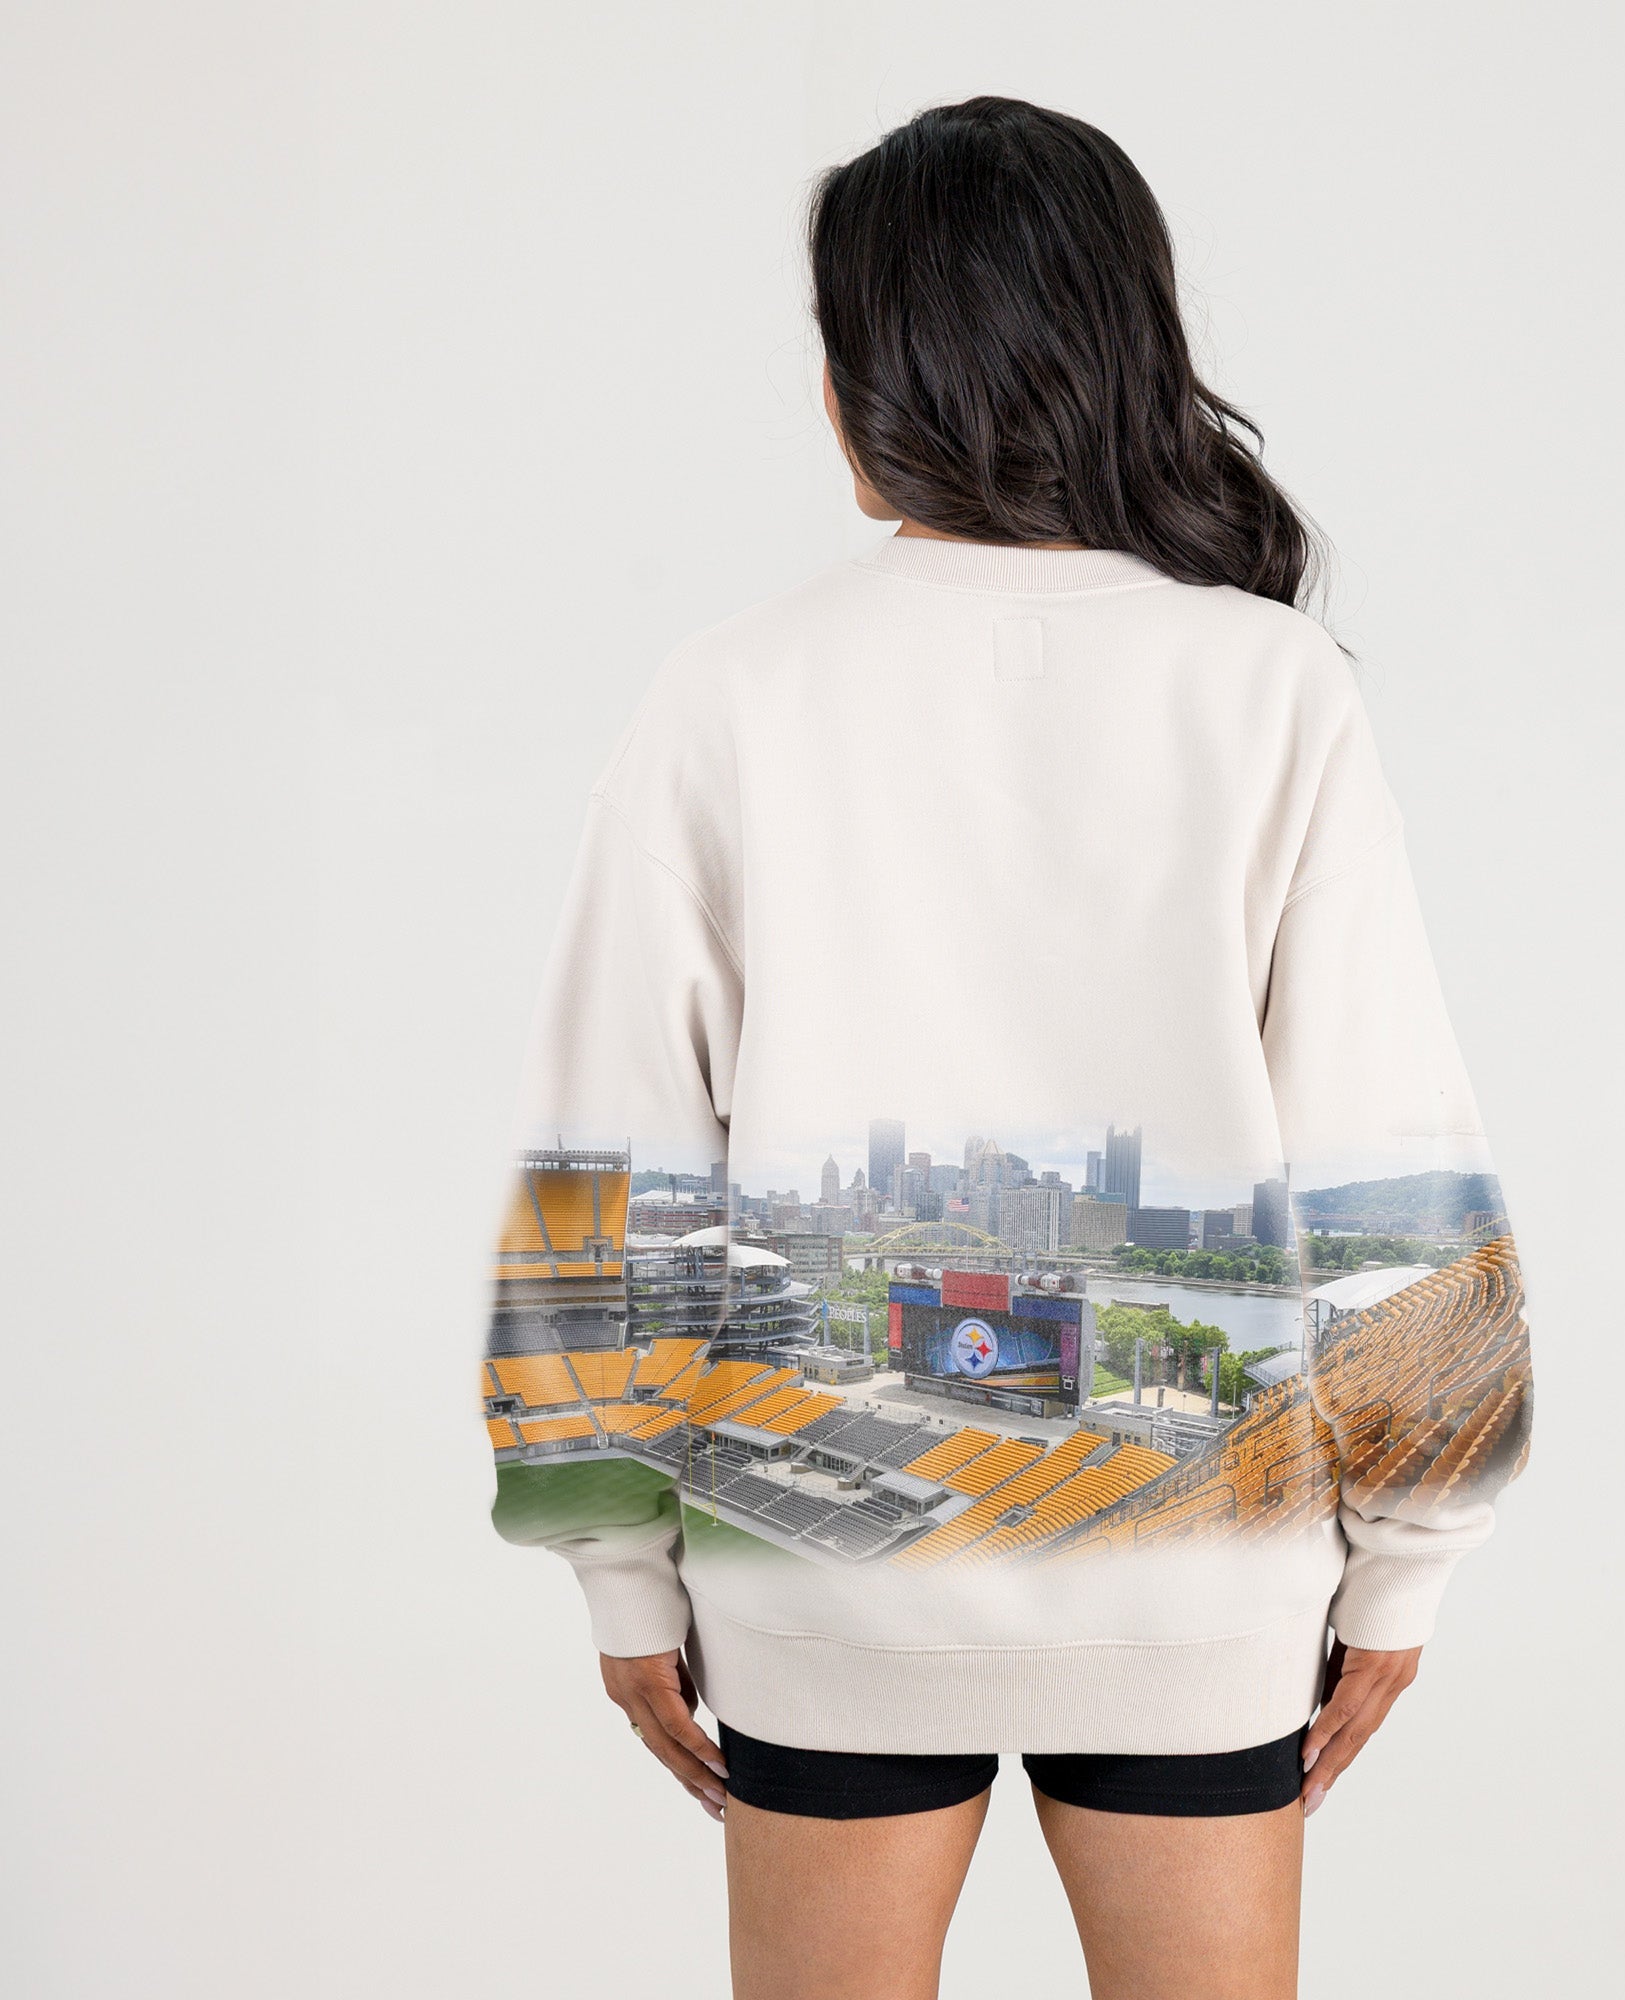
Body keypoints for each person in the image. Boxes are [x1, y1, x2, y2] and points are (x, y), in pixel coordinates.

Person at [479, 96, 1532, 2000]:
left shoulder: (730, 694)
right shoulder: (1270, 687)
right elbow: (1390, 1147)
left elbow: (613, 1165)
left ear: (864, 379)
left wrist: (615, 1554)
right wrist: (1413, 1548)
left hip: (820, 1571)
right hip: (1197, 1567)